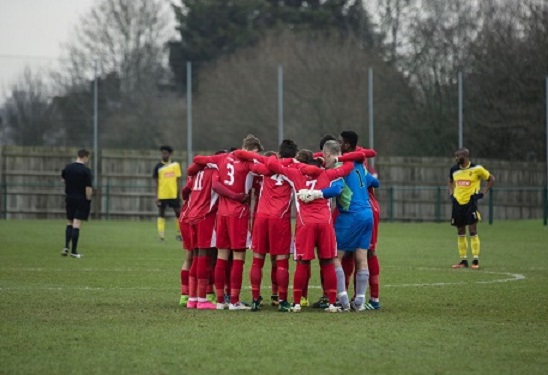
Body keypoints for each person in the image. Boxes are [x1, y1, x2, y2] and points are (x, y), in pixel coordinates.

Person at [266, 149, 366, 312]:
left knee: (303, 263)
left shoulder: (295, 174)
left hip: (306, 224)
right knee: (327, 262)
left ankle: (297, 303)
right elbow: (350, 164)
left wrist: (290, 160)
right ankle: (332, 303)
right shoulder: (327, 174)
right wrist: (338, 158)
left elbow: (271, 164)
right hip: (325, 223)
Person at [192, 134, 263, 311]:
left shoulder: (221, 158)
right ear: (251, 151)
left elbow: (197, 159)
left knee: (222, 257)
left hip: (221, 214)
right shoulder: (248, 163)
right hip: (238, 214)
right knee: (238, 257)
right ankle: (234, 301)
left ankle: (220, 301)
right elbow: (267, 168)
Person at [234, 140, 298, 312]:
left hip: (261, 217)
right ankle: (282, 301)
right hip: (280, 219)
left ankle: (255, 299)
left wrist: (255, 155)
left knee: (257, 260)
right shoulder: (295, 169)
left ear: (279, 152)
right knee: (281, 262)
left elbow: (245, 159)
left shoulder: (268, 166)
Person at [448, 147, 495, 269]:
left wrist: (483, 193)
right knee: (460, 232)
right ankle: (463, 261)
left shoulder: (477, 169)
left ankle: (475, 260)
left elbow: (491, 179)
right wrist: (451, 194)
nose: (456, 158)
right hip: (458, 204)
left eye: (458, 156)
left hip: (470, 204)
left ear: (465, 156)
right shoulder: (454, 170)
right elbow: (450, 181)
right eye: (456, 156)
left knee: (472, 230)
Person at [61, 149, 93, 259]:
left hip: (69, 198)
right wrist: (88, 200)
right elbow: (88, 188)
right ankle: (74, 252)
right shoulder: (86, 171)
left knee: (69, 222)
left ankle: (66, 247)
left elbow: (63, 179)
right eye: (88, 158)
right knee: (77, 224)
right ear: (85, 157)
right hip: (80, 199)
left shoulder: (67, 168)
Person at [152, 145, 182, 241]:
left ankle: (179, 234)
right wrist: (156, 196)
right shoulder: (158, 167)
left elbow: (178, 180)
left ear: (169, 154)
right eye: (162, 153)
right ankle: (161, 236)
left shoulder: (175, 165)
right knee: (161, 214)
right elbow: (156, 182)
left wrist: (179, 193)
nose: (164, 155)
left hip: (173, 194)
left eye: (165, 153)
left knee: (178, 213)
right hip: (162, 195)